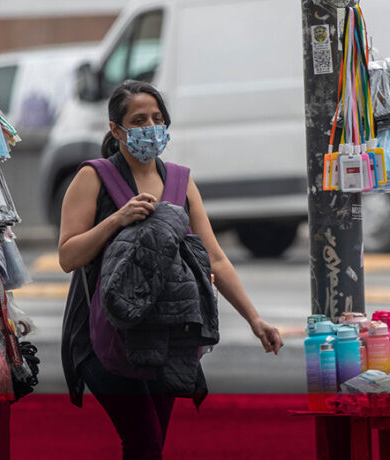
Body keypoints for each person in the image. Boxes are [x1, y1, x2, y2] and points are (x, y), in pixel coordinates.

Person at [58, 80, 284, 460]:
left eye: (158, 118)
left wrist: (254, 319)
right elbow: (68, 256)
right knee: (144, 442)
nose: (151, 127)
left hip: (166, 336)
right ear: (116, 130)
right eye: (139, 120)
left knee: (152, 444)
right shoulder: (92, 177)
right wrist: (117, 219)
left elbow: (215, 258)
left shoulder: (180, 181)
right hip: (104, 338)